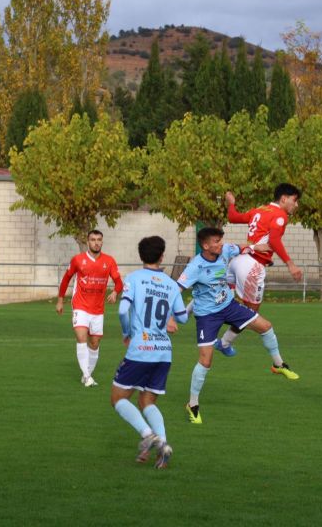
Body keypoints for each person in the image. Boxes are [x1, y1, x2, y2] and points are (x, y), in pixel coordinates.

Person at [177, 227, 299, 425]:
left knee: (266, 326)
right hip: (207, 316)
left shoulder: (225, 250)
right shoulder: (195, 267)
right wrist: (173, 317)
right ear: (206, 246)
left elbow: (241, 247)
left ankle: (278, 365)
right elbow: (177, 289)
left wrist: (258, 246)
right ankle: (192, 404)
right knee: (206, 361)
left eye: (221, 240)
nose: (221, 244)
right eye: (216, 241)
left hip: (229, 306)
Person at [111, 236, 188, 469]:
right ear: (162, 256)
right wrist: (174, 317)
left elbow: (123, 310)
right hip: (163, 352)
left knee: (118, 398)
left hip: (140, 349)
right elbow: (182, 317)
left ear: (140, 255)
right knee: (147, 401)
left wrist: (127, 332)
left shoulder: (133, 279)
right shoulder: (171, 284)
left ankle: (148, 434)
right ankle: (162, 445)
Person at [217, 183, 303, 354]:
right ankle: (224, 343)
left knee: (216, 292)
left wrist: (231, 203)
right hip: (252, 265)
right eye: (295, 200)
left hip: (238, 260)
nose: (296, 205)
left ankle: (186, 312)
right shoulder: (280, 215)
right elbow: (274, 240)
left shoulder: (259, 210)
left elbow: (233, 217)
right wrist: (290, 264)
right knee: (251, 314)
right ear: (284, 199)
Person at [56, 230, 123, 387]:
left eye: (99, 239)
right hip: (80, 305)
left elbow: (119, 282)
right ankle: (87, 376)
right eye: (93, 239)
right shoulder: (78, 260)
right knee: (81, 337)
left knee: (94, 343)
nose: (96, 242)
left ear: (102, 241)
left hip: (98, 309)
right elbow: (66, 279)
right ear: (88, 242)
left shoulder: (109, 261)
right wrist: (60, 300)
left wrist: (115, 292)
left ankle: (87, 374)